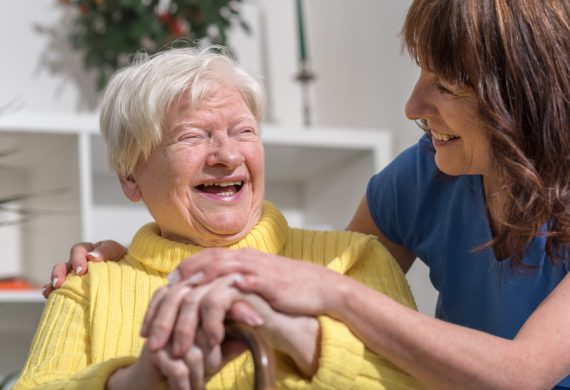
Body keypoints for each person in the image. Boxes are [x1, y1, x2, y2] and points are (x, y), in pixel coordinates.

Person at [50, 0, 570, 388]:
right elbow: (326, 306)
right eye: (192, 136)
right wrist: (140, 259)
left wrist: (337, 294)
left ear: (520, 94)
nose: (412, 105)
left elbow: (522, 374)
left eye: (447, 85)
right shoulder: (420, 177)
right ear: (129, 176)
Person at [15, 46, 423, 389]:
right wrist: (133, 381)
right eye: (192, 136)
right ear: (130, 178)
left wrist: (305, 342)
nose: (228, 156)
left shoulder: (354, 260)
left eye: (244, 131)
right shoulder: (89, 288)